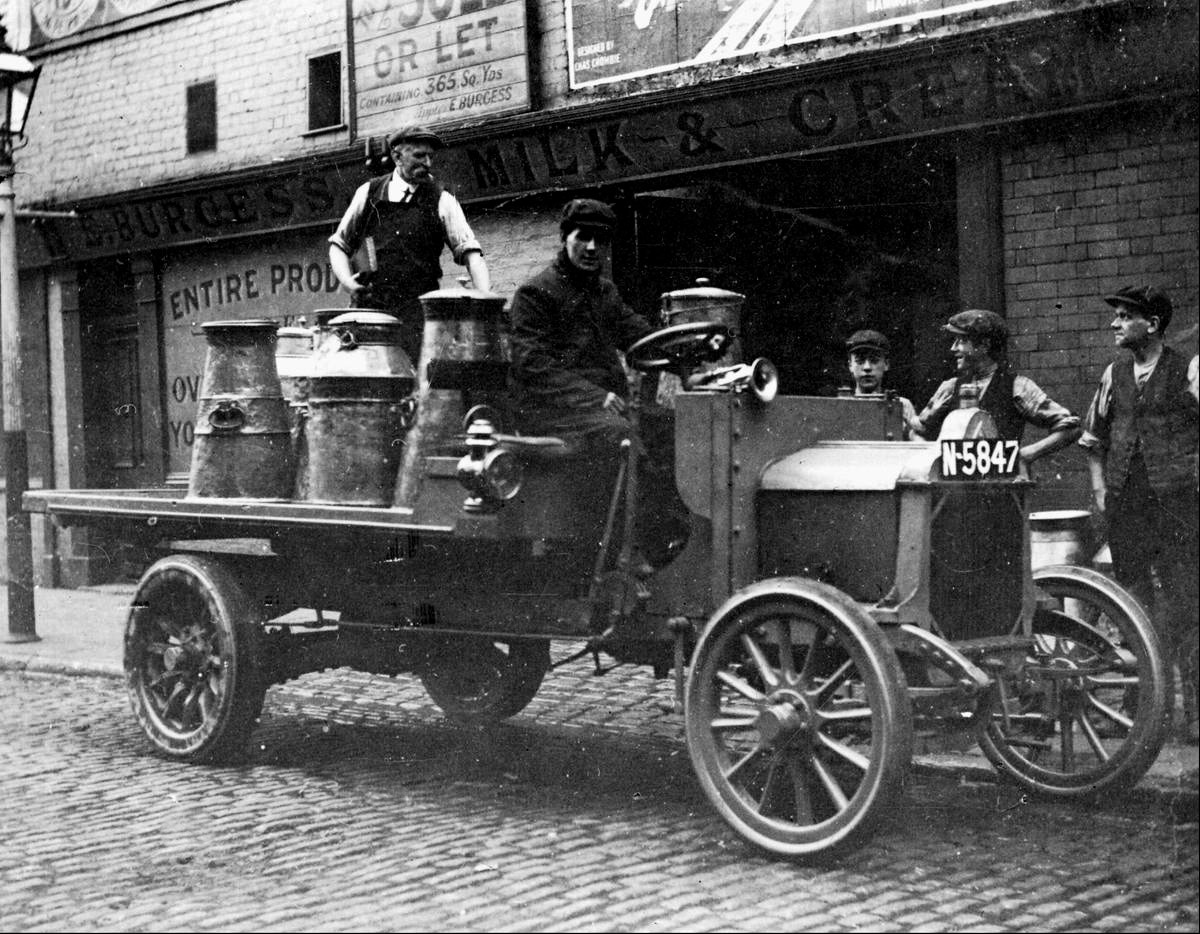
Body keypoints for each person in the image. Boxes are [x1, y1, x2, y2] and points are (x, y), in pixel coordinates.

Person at [508, 198, 684, 568]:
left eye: (600, 240)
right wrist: (595, 396)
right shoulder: (535, 293)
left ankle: (676, 539)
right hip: (552, 411)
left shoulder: (605, 292)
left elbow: (640, 335)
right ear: (564, 238)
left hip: (601, 408)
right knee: (620, 436)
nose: (591, 248)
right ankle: (628, 551)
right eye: (582, 237)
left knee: (674, 427)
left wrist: (687, 355)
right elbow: (532, 365)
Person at [1079, 285, 1198, 742]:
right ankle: (1140, 708)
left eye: (1126, 316)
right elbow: (1093, 438)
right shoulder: (1114, 374)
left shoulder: (1188, 367)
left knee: (1188, 599)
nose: (1115, 323)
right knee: (1131, 604)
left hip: (1177, 505)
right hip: (1127, 505)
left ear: (1152, 324)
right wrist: (1100, 489)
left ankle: (1195, 712)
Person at [328, 125, 490, 362]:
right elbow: (338, 246)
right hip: (370, 312)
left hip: (418, 316)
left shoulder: (442, 199)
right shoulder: (369, 193)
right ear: (397, 156)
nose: (427, 163)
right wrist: (348, 283)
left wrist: (485, 301)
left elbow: (472, 255)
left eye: (430, 156)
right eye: (419, 156)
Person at [910, 309, 1081, 464]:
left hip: (1002, 486)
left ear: (984, 345)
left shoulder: (1018, 387)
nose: (953, 348)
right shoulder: (949, 388)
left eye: (962, 340)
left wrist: (1025, 455)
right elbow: (916, 431)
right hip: (953, 488)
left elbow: (1071, 429)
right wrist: (934, 458)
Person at [843, 329, 918, 434]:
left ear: (886, 364)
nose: (867, 367)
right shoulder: (839, 405)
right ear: (850, 365)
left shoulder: (902, 405)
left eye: (874, 360)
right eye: (860, 361)